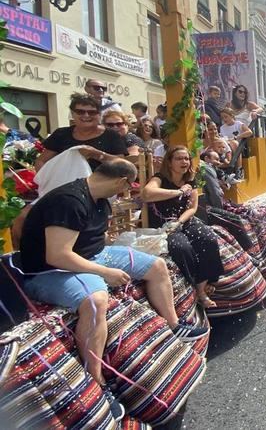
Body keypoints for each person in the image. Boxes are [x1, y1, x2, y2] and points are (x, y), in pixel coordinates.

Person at [19, 159, 208, 421]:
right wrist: (106, 273)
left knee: (156, 266)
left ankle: (174, 325)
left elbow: (98, 240)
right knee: (96, 301)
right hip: (53, 271)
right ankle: (96, 382)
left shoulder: (99, 200)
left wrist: (131, 247)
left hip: (94, 255)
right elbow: (57, 256)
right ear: (121, 182)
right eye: (125, 188)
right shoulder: (70, 201)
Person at [142, 146, 225, 309]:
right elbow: (147, 193)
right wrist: (178, 192)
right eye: (179, 158)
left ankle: (201, 290)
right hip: (164, 223)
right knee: (181, 247)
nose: (184, 162)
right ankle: (193, 283)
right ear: (170, 162)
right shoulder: (159, 178)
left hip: (183, 220)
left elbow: (192, 208)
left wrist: (180, 222)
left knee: (208, 239)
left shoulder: (190, 180)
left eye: (186, 158)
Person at [37, 93, 127, 171]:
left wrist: (96, 154)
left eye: (92, 112)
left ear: (99, 114)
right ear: (72, 114)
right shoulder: (61, 134)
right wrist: (47, 183)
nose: (86, 115)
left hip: (101, 187)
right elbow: (41, 161)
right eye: (80, 112)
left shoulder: (111, 135)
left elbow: (122, 164)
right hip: (65, 187)